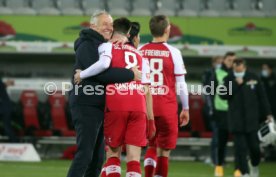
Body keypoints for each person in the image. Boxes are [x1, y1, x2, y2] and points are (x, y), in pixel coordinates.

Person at [74, 17, 155, 177]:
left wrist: (81, 74)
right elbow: (146, 88)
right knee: (133, 159)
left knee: (112, 156)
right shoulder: (140, 55)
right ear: (130, 33)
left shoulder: (107, 47)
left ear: (112, 32)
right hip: (138, 106)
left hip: (116, 103)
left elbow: (102, 66)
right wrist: (150, 119)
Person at [139, 15, 189, 177]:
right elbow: (181, 84)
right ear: (168, 30)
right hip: (166, 107)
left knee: (151, 146)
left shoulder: (140, 50)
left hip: (145, 108)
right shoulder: (174, 52)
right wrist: (186, 108)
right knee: (164, 152)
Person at [220, 58, 274, 177]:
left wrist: (268, 114)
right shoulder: (228, 78)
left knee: (255, 148)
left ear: (244, 65)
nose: (237, 66)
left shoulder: (253, 77)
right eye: (235, 64)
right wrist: (235, 84)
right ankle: (244, 173)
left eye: (239, 64)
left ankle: (254, 165)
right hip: (236, 120)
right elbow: (223, 96)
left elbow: (262, 97)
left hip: (252, 119)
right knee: (240, 148)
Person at [208, 52, 242, 177]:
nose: (231, 62)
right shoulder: (217, 73)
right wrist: (212, 109)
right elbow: (211, 92)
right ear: (224, 61)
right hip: (221, 112)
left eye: (234, 60)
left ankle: (238, 168)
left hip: (236, 112)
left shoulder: (239, 74)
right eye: (229, 59)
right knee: (221, 142)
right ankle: (219, 167)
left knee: (239, 142)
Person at [202, 56, 223, 165]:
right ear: (213, 63)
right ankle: (214, 159)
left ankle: (219, 160)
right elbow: (207, 91)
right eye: (218, 62)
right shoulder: (208, 73)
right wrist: (211, 109)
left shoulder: (224, 74)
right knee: (216, 135)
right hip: (212, 108)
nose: (220, 64)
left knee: (220, 136)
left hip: (222, 108)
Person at [0, 76, 18, 142]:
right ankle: (14, 142)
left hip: (4, 107)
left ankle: (15, 142)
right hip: (4, 107)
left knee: (7, 127)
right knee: (7, 127)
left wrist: (6, 84)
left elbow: (3, 85)